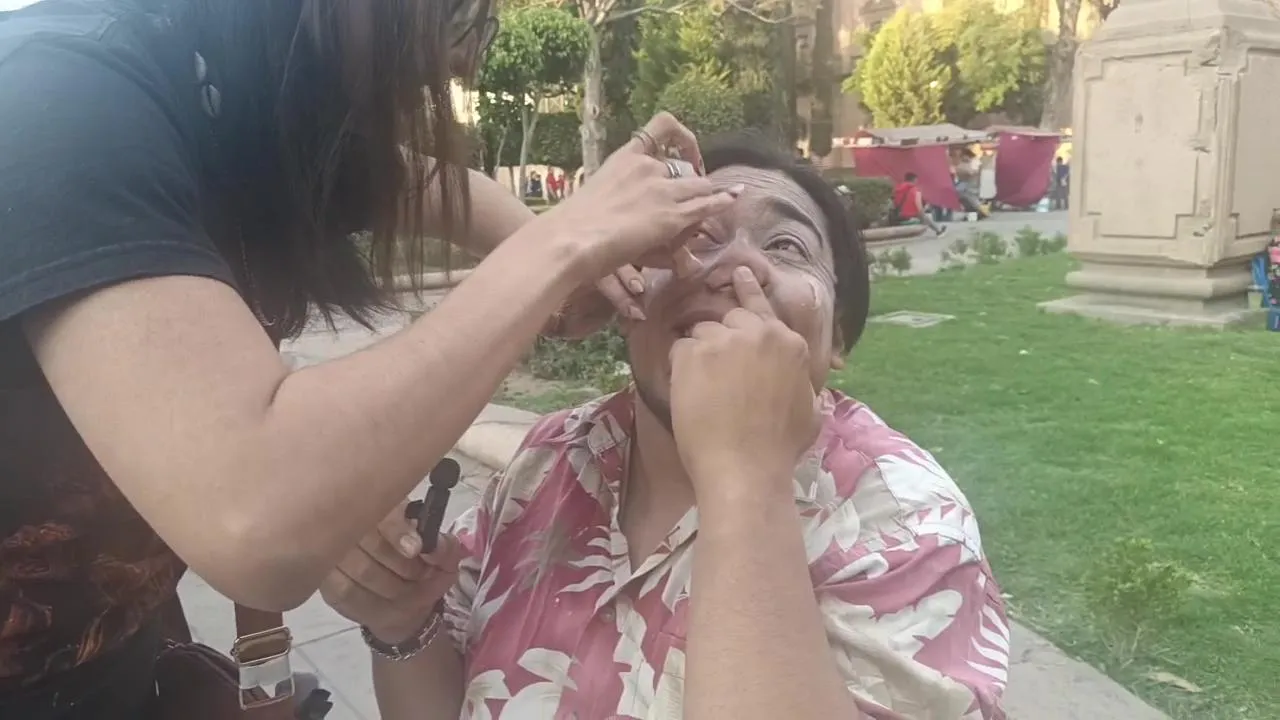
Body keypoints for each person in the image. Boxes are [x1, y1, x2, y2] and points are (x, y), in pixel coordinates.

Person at [0, 1, 738, 717]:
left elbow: (441, 195)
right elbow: (254, 513)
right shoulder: (60, 94)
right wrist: (565, 242)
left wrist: (587, 262)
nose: (461, 61)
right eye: (455, 14)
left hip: (115, 667)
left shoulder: (252, 116)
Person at [322, 140, 1010, 720]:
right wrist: (402, 622)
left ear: (837, 342)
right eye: (694, 237)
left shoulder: (907, 527)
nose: (737, 267)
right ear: (623, 294)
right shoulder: (548, 462)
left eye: (787, 245)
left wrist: (745, 472)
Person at [893, 171, 947, 237]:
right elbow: (918, 203)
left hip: (899, 214)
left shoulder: (899, 188)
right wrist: (922, 213)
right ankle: (939, 231)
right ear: (915, 180)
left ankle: (937, 228)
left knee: (923, 216)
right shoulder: (915, 190)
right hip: (909, 214)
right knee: (925, 216)